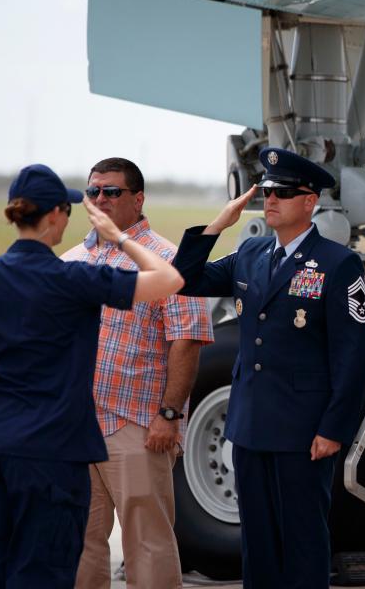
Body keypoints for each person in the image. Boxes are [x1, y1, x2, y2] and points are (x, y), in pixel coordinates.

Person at [0, 164, 184, 588]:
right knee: (43, 571)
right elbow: (170, 279)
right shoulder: (72, 277)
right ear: (55, 217)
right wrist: (119, 238)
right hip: (52, 451)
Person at [172, 147, 365, 588]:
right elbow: (185, 279)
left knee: (302, 541)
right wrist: (218, 224)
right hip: (249, 427)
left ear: (309, 202)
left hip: (303, 431)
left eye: (283, 191)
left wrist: (335, 428)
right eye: (267, 190)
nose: (271, 199)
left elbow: (354, 353)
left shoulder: (338, 264)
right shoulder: (251, 252)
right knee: (258, 546)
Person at [63, 158, 214, 589]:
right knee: (78, 542)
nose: (100, 199)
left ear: (138, 198)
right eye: (93, 192)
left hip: (136, 424)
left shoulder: (167, 262)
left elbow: (186, 340)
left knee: (147, 543)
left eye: (112, 191)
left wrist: (169, 415)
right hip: (75, 425)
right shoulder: (73, 260)